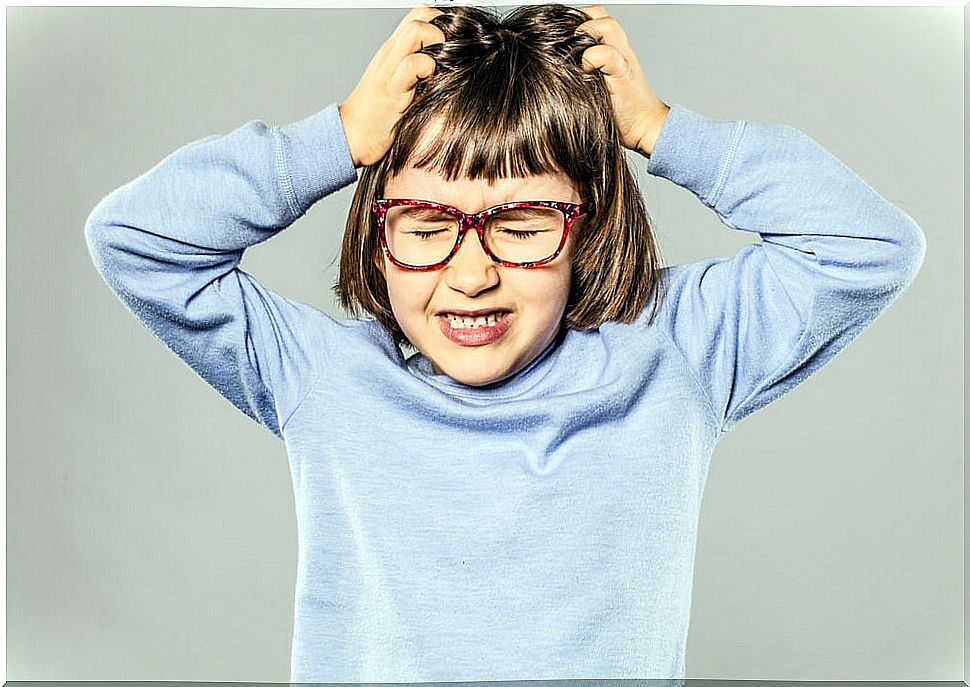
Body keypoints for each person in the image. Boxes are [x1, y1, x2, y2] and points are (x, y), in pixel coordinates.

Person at [84, 3, 925, 682]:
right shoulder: (323, 375)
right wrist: (335, 137)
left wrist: (663, 131)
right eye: (425, 224)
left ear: (586, 224)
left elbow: (868, 246)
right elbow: (134, 240)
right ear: (376, 235)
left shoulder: (675, 354)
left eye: (521, 223)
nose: (471, 274)